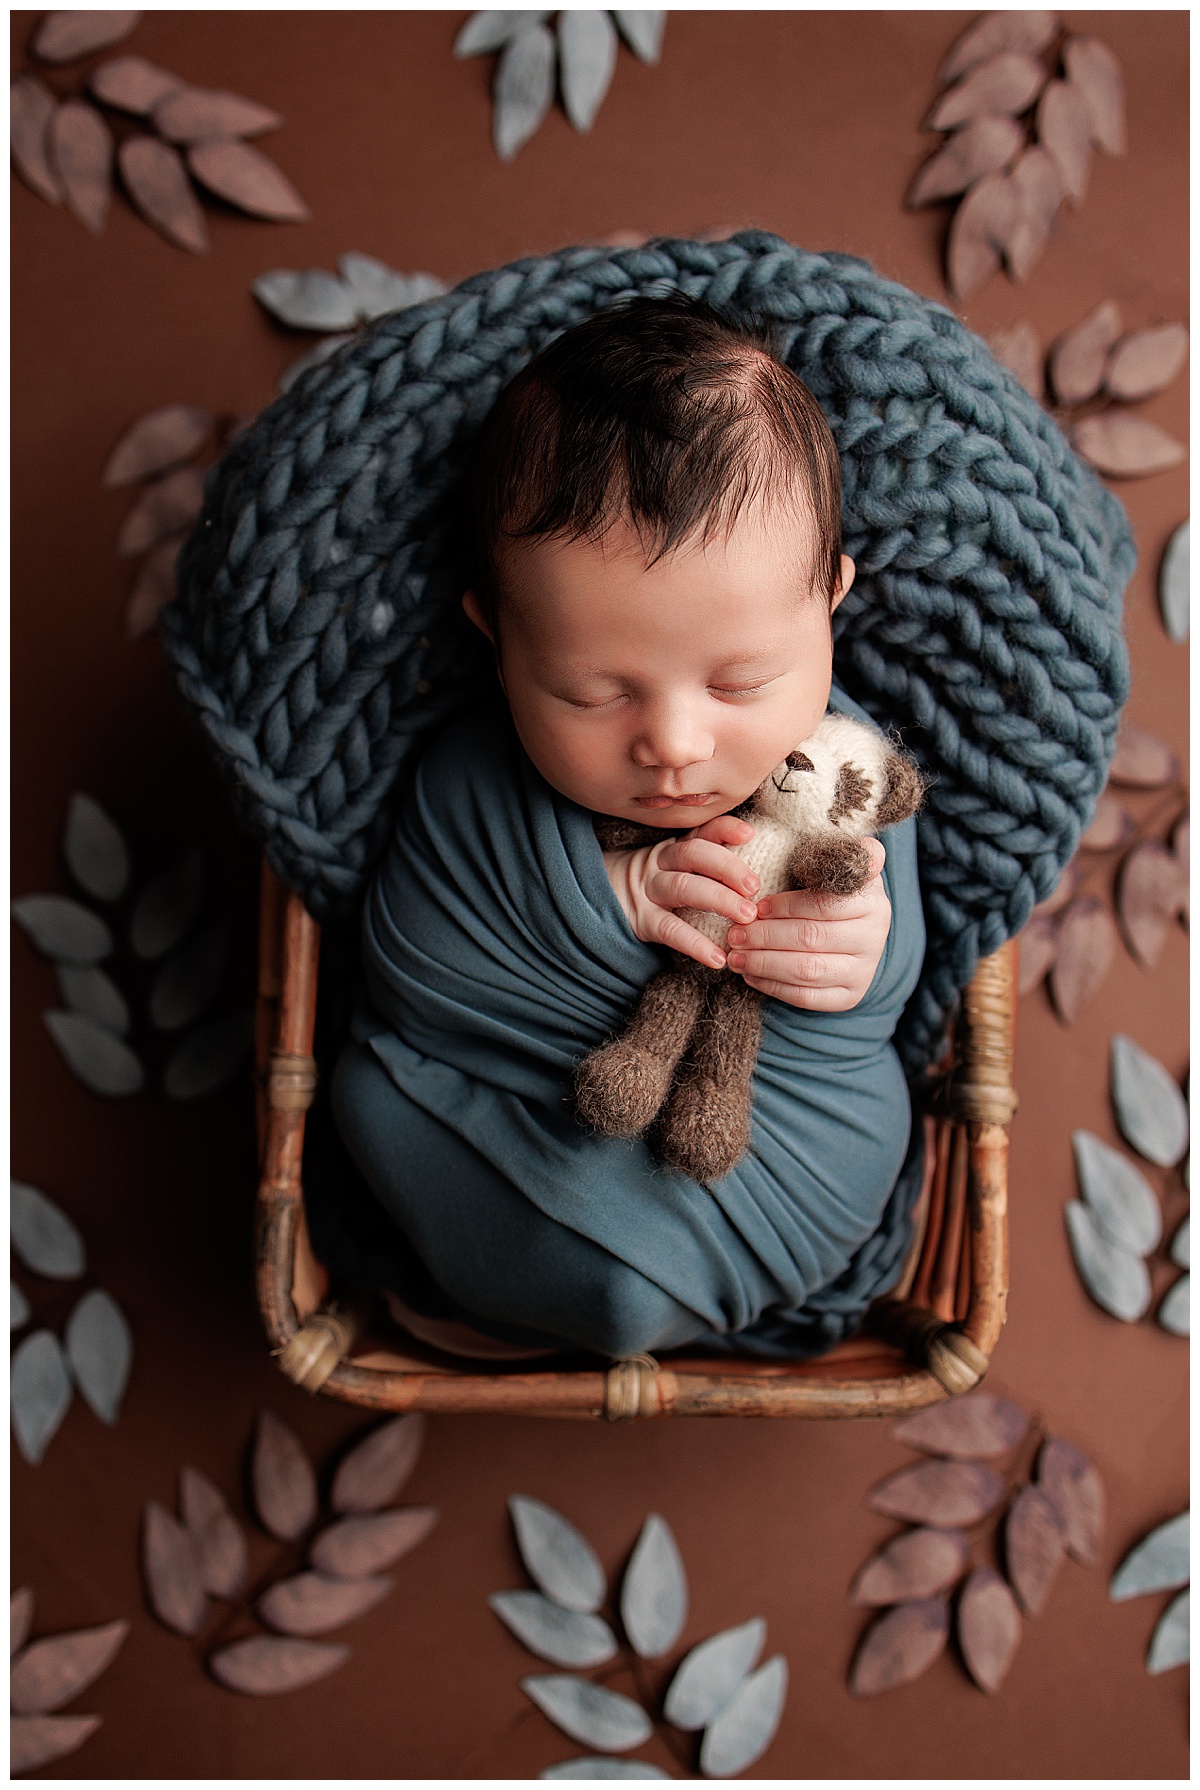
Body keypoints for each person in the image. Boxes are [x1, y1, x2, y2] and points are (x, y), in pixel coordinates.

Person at [315, 290, 926, 1361]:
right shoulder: (479, 772)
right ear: (497, 640)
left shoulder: (842, 764)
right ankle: (551, 1300)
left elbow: (890, 984)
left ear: (829, 600)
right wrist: (606, 903)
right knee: (369, 1092)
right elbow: (410, 961)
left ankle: (561, 1307)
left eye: (740, 680)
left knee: (866, 1109)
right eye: (595, 692)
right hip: (524, 1099)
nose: (675, 742)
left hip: (783, 1153)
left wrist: (854, 953)